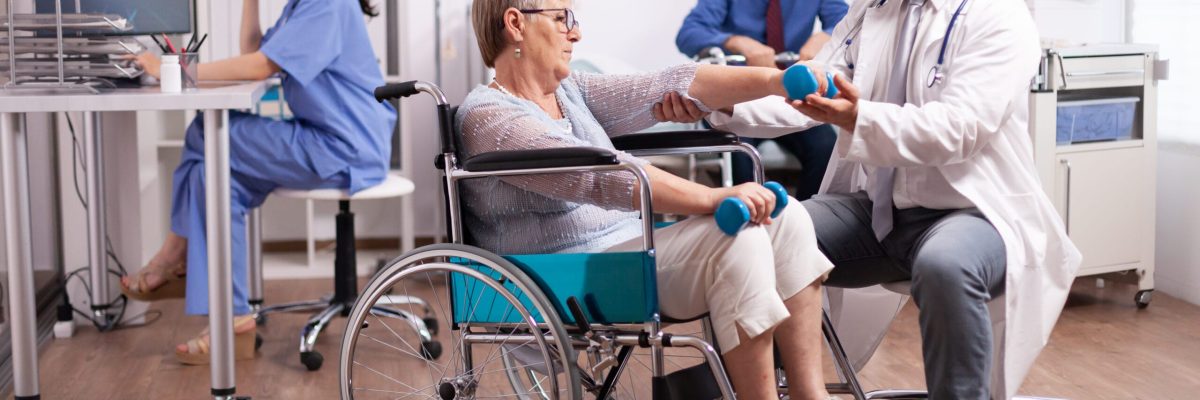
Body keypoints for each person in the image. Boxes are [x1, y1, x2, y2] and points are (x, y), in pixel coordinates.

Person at [662, 0, 1083, 398]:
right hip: (880, 211)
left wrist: (859, 117)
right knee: (759, 236)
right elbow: (810, 92)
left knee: (945, 266)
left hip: (975, 211)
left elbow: (961, 128)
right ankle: (733, 382)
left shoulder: (998, 14)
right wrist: (720, 104)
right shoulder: (875, 10)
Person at [462, 1, 837, 399]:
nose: (576, 33)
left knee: (788, 216)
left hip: (628, 254)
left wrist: (777, 81)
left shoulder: (571, 93)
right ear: (516, 24)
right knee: (739, 239)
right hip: (562, 277)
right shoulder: (487, 117)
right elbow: (599, 177)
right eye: (562, 19)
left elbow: (669, 83)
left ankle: (810, 394)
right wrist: (714, 197)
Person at [120, 0, 395, 365]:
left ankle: (173, 255)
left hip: (344, 146)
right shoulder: (300, 5)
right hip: (325, 137)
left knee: (206, 131)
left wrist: (173, 70)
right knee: (213, 178)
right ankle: (233, 321)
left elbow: (261, 66)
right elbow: (256, 50)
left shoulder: (328, 3)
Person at [675, 0, 848, 199]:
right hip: (736, 98)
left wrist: (826, 36)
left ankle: (803, 221)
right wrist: (735, 41)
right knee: (740, 154)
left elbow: (849, 23)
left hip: (789, 96)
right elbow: (688, 33)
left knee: (826, 148)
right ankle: (749, 223)